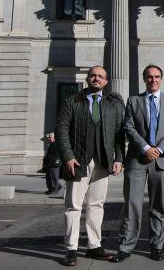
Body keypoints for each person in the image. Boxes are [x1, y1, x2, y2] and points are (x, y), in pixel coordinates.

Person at [55, 65, 126, 266]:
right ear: (87, 79)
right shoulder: (72, 101)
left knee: (97, 205)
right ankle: (71, 249)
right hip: (77, 162)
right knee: (73, 206)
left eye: (100, 76)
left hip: (103, 162)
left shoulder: (111, 105)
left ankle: (94, 246)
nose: (96, 79)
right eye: (93, 75)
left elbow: (119, 134)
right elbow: (61, 129)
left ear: (106, 81)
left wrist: (119, 158)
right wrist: (68, 156)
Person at [112, 65, 164, 263]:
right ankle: (126, 246)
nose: (153, 80)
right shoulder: (134, 100)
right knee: (132, 204)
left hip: (162, 160)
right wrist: (145, 148)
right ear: (144, 79)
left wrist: (158, 150)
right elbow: (128, 127)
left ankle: (157, 245)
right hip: (137, 160)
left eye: (157, 76)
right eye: (149, 77)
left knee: (158, 206)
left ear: (162, 78)